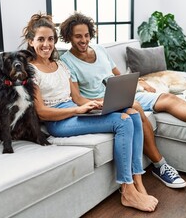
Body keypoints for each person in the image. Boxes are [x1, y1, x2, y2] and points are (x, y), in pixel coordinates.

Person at [58, 12, 186, 187]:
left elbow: (118, 74)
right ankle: (161, 166)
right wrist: (96, 103)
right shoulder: (67, 61)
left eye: (86, 35)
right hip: (100, 103)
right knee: (137, 108)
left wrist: (138, 82)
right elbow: (77, 97)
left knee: (166, 98)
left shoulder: (100, 50)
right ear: (69, 37)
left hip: (120, 93)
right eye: (78, 37)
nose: (84, 40)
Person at [21, 13, 158, 212]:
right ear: (30, 41)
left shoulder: (59, 65)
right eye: (40, 39)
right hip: (59, 122)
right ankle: (127, 190)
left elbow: (77, 98)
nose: (46, 44)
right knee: (123, 121)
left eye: (50, 39)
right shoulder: (29, 71)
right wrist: (78, 110)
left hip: (74, 110)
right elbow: (42, 112)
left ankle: (138, 181)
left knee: (133, 113)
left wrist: (98, 104)